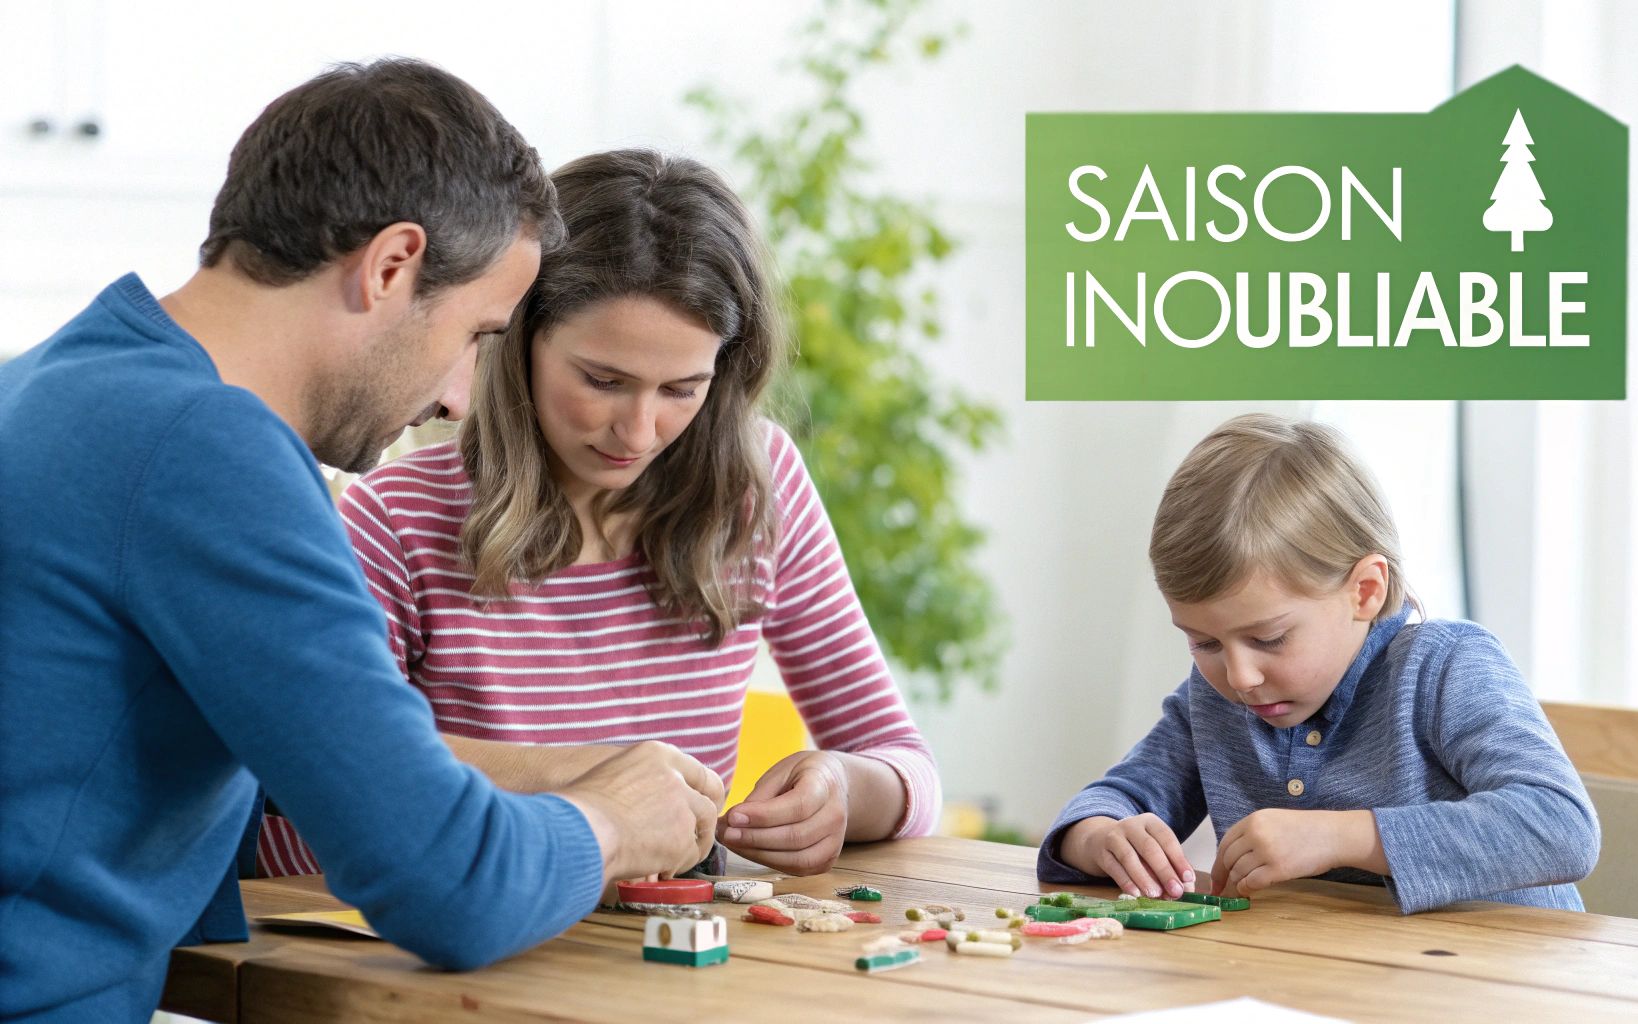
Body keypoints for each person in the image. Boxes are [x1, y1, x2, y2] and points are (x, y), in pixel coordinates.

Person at [0, 61, 723, 1023]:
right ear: (391, 267)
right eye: (477, 333)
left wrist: (549, 769)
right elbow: (449, 888)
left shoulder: (51, 383)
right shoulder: (210, 450)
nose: (461, 397)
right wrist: (614, 823)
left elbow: (235, 776)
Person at [256, 149, 941, 881]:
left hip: (667, 963)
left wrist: (837, 788)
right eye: (603, 381)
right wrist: (598, 786)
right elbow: (303, 791)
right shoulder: (396, 519)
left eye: (682, 388)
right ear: (520, 340)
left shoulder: (756, 487)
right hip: (444, 958)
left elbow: (907, 771)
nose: (638, 432)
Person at [1038, 414, 1599, 913]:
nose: (1239, 677)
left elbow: (1561, 826)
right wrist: (1095, 835)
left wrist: (1344, 837)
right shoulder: (1217, 701)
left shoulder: (1444, 668)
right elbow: (1124, 794)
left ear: (1366, 591)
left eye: (1270, 638)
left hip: (1503, 987)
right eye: (1204, 643)